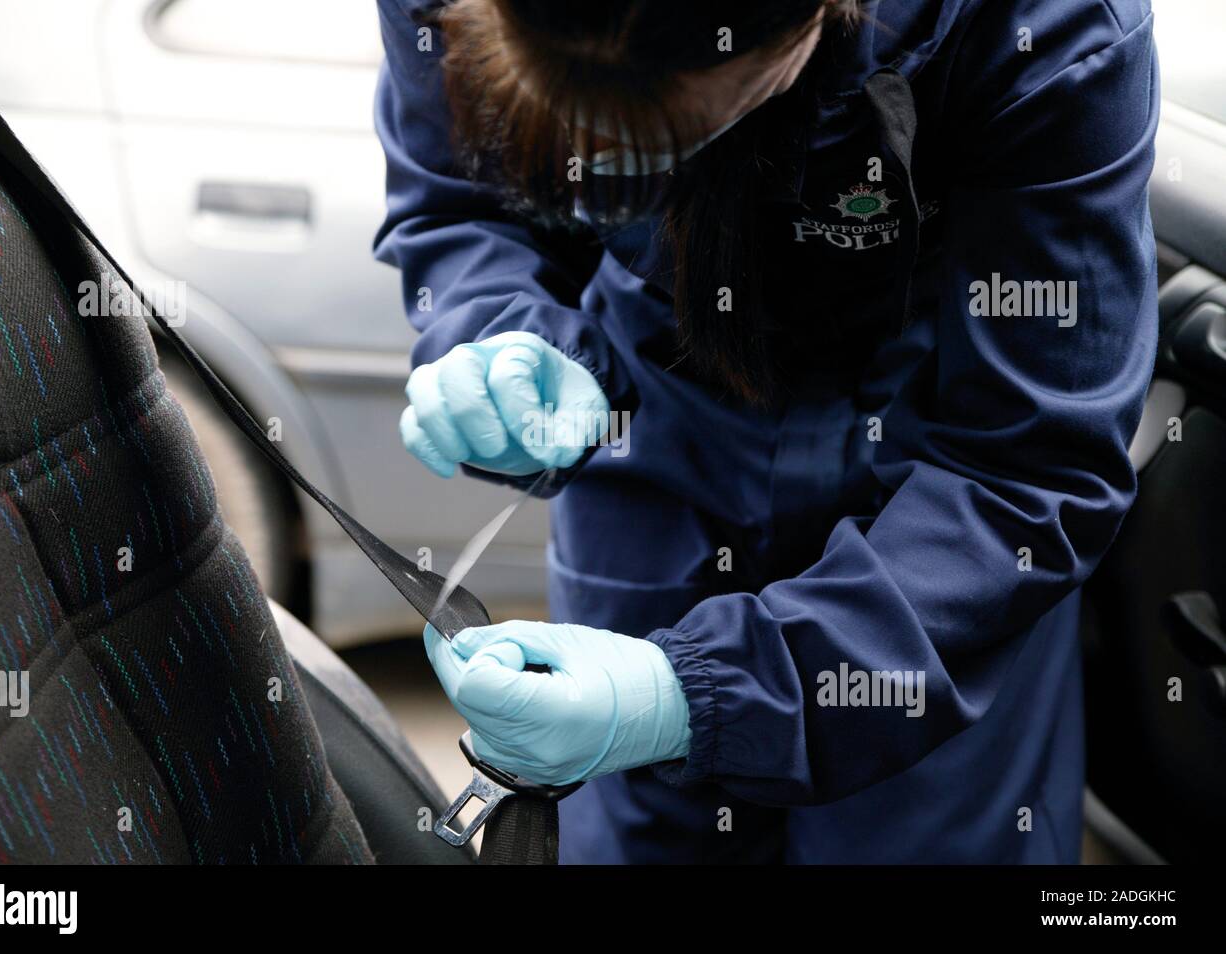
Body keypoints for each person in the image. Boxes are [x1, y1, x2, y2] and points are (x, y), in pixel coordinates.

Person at [374, 0, 1159, 863]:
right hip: (656, 441)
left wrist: (692, 698)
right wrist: (499, 328)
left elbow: (1026, 467)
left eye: (666, 141)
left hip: (942, 508)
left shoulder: (1047, 29)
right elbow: (457, 199)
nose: (621, 173)